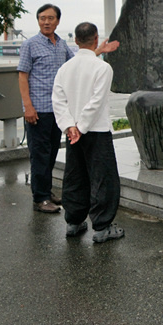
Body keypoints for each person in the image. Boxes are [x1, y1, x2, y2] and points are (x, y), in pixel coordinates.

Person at [52, 22, 124, 243]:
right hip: (96, 130)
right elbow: (96, 101)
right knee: (102, 178)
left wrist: (70, 127)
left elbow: (58, 101)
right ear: (95, 39)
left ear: (75, 40)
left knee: (75, 176)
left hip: (72, 131)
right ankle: (102, 227)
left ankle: (73, 222)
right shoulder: (102, 68)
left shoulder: (65, 68)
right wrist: (82, 127)